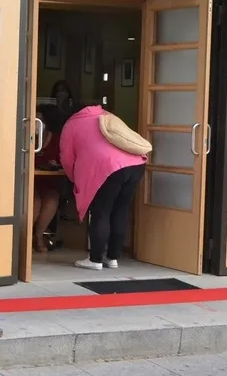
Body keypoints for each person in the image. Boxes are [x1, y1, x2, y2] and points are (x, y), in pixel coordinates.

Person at [59, 105, 147, 270]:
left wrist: (75, 179)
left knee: (101, 211)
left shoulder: (72, 124)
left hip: (107, 168)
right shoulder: (107, 115)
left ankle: (95, 260)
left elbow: (67, 157)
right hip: (136, 164)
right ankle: (112, 258)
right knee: (120, 211)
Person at [32, 105, 64, 253]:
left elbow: (62, 160)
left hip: (48, 180)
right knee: (35, 201)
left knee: (52, 199)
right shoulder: (26, 136)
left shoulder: (56, 139)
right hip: (29, 181)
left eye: (40, 120)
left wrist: (55, 164)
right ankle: (25, 238)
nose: (36, 123)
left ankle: (38, 236)